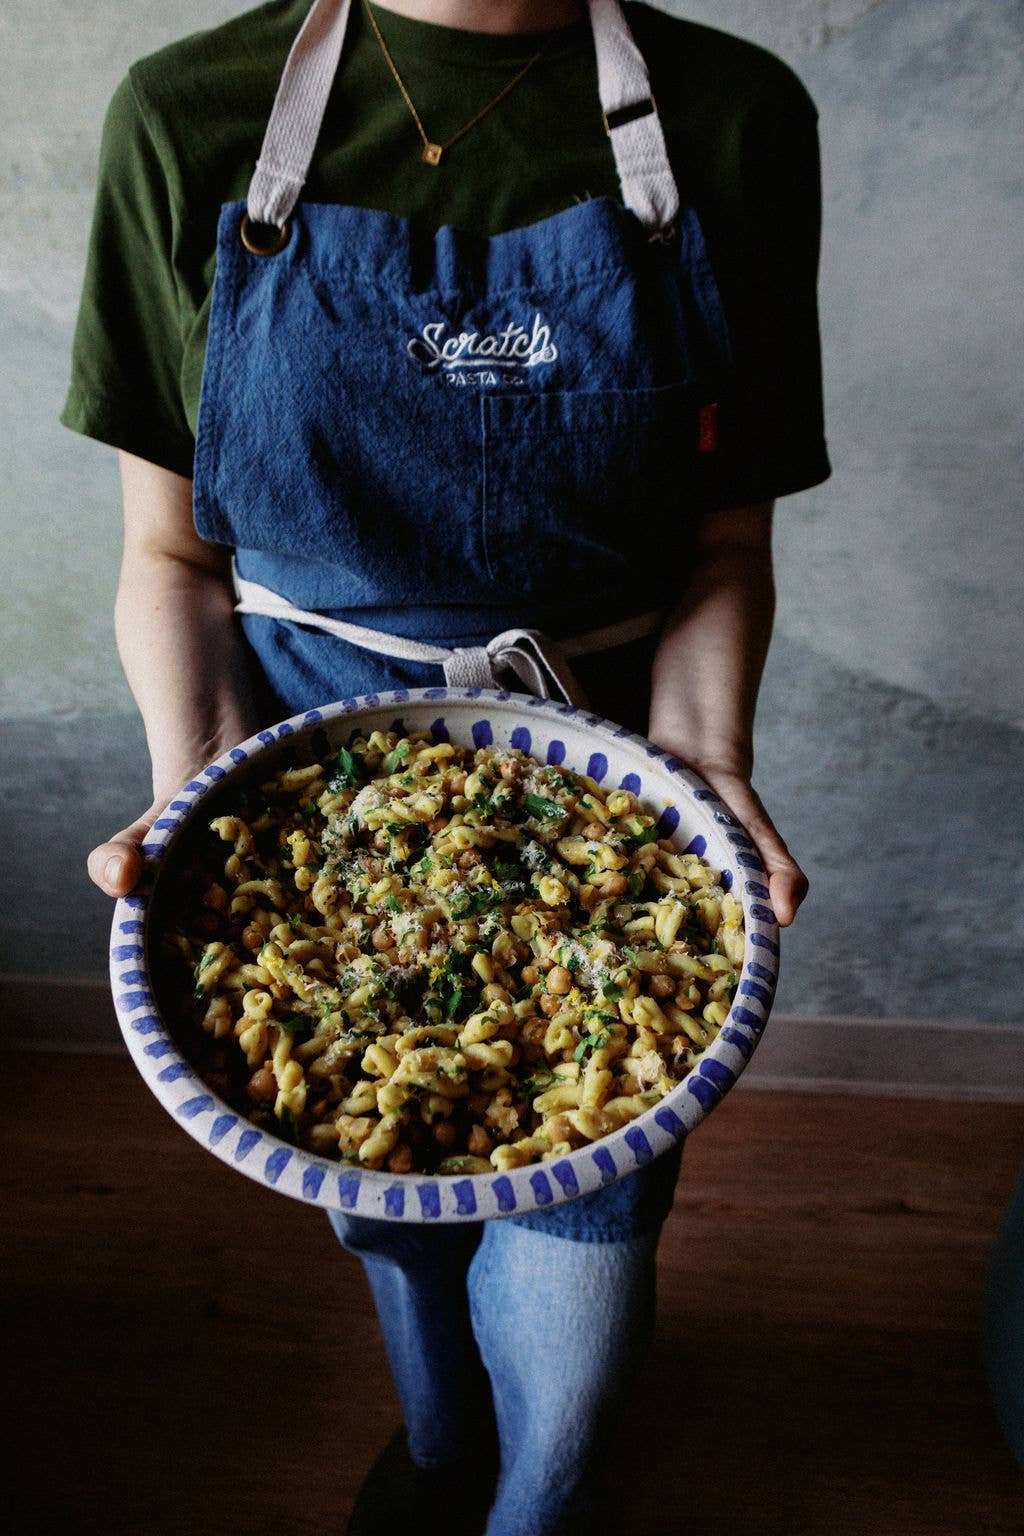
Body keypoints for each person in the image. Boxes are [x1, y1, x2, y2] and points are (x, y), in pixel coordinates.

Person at [64, 1, 829, 1530]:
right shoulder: (188, 112)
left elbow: (725, 548)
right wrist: (194, 773)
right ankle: (434, 1448)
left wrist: (705, 759)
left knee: (590, 1259)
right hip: (302, 786)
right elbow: (171, 554)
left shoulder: (735, 114)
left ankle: (541, 1492)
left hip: (611, 778)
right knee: (379, 1187)